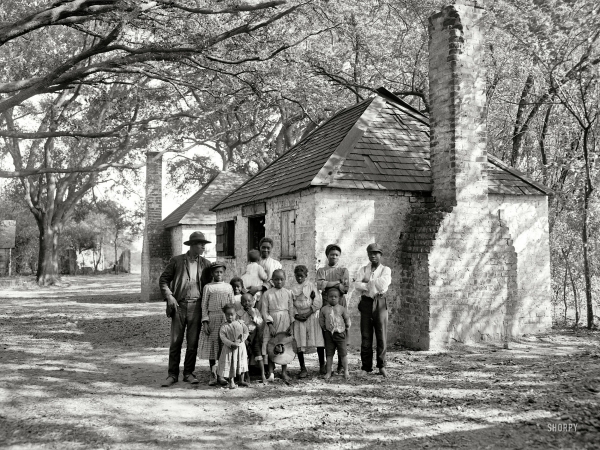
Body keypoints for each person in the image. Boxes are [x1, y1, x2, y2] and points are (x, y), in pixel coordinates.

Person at [158, 231, 213, 387]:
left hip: (197, 307)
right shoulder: (177, 261)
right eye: (201, 244)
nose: (203, 247)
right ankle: (172, 375)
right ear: (193, 245)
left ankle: (188, 373)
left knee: (193, 343)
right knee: (175, 342)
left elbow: (210, 285)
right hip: (179, 306)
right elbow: (163, 279)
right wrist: (169, 296)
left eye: (204, 244)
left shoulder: (206, 264)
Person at [354, 243, 392, 377]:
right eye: (370, 253)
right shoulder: (364, 269)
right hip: (366, 303)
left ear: (380, 254)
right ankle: (365, 367)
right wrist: (371, 284)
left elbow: (383, 284)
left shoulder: (386, 270)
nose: (373, 256)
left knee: (381, 335)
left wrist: (368, 283)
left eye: (376, 253)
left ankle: (382, 366)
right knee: (366, 336)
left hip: (380, 302)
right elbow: (357, 285)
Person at [198, 262, 235, 386]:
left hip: (225, 319)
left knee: (223, 346)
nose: (218, 274)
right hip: (213, 319)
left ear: (224, 273)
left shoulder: (228, 287)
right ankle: (213, 374)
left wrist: (233, 322)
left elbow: (232, 305)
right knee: (213, 347)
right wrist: (205, 322)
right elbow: (204, 306)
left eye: (221, 272)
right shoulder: (208, 287)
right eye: (216, 272)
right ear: (212, 273)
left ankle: (221, 374)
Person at [316, 244, 350, 375]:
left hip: (340, 302)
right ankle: (323, 365)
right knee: (326, 332)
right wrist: (337, 283)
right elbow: (320, 285)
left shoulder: (343, 270)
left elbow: (345, 288)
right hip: (325, 303)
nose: (334, 257)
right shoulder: (321, 271)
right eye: (331, 254)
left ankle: (341, 365)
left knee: (341, 331)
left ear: (339, 256)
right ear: (327, 255)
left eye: (336, 255)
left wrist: (329, 284)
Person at [290, 265, 324, 378]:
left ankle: (322, 366)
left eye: (302, 276)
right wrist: (296, 315)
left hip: (311, 316)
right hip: (299, 317)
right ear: (295, 275)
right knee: (300, 342)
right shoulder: (292, 289)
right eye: (297, 276)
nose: (299, 278)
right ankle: (303, 368)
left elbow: (318, 301)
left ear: (306, 276)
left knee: (318, 340)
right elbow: (290, 304)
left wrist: (309, 312)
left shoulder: (311, 286)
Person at [261, 269, 294, 382]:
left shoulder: (288, 293)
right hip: (273, 321)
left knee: (284, 345)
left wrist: (291, 324)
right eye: (276, 279)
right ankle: (271, 373)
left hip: (285, 320)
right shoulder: (267, 294)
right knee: (271, 345)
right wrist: (270, 325)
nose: (279, 281)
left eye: (281, 279)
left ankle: (284, 372)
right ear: (272, 280)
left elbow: (291, 309)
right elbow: (264, 311)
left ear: (285, 280)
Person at [319, 286, 351, 380]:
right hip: (329, 334)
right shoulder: (324, 309)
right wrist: (324, 327)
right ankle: (329, 371)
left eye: (335, 297)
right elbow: (321, 319)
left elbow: (347, 319)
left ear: (339, 298)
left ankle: (346, 370)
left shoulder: (342, 309)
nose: (333, 298)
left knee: (343, 353)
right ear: (327, 298)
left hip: (340, 333)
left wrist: (347, 327)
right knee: (329, 354)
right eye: (331, 296)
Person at [217, 303, 250, 389]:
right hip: (229, 349)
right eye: (227, 315)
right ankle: (231, 381)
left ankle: (241, 380)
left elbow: (246, 332)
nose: (230, 317)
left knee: (241, 362)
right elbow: (223, 337)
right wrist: (231, 344)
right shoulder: (224, 327)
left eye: (232, 315)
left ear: (236, 314)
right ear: (225, 315)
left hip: (240, 347)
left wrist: (242, 339)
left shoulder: (240, 323)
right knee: (231, 364)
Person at [238, 292, 266, 383]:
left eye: (249, 301)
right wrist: (243, 338)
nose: (247, 303)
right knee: (246, 356)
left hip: (255, 335)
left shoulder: (256, 311)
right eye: (244, 301)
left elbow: (260, 323)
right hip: (244, 336)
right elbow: (238, 326)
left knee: (258, 354)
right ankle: (247, 376)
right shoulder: (239, 313)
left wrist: (253, 316)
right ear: (241, 303)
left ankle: (263, 375)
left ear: (253, 301)